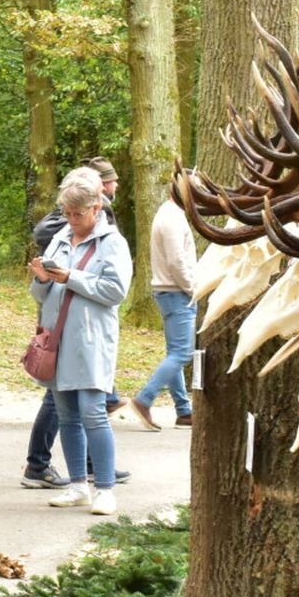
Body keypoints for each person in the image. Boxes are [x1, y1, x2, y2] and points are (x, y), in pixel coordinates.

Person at [28, 167, 132, 515]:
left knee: (93, 413)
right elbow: (41, 294)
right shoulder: (59, 239)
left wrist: (71, 276)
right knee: (67, 415)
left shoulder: (112, 243)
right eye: (67, 214)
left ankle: (104, 488)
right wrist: (43, 279)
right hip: (57, 340)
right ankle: (77, 485)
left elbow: (115, 291)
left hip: (90, 341)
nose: (72, 220)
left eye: (78, 213)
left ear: (96, 209)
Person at [132, 188, 197, 429]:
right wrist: (192, 288)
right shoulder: (171, 218)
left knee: (175, 352)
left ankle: (183, 410)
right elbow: (176, 261)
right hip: (176, 292)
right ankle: (144, 399)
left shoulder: (171, 214)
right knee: (182, 352)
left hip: (171, 291)